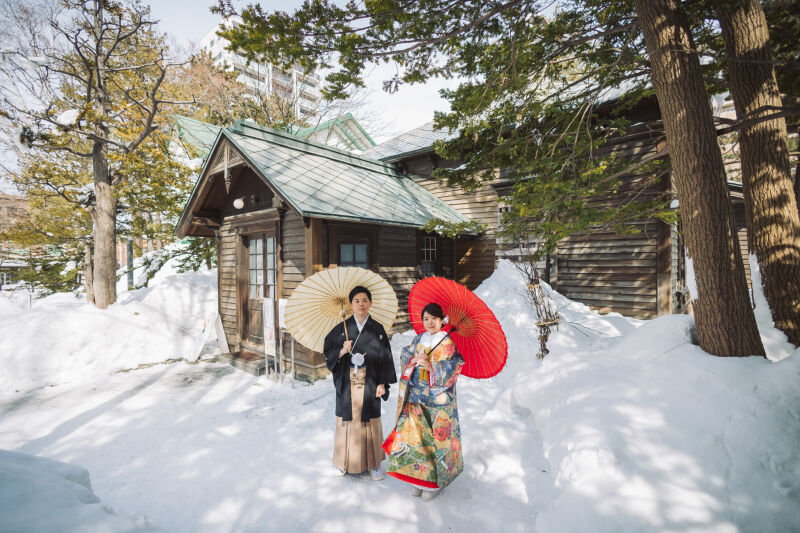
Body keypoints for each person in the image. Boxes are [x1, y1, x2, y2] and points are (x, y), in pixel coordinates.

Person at [383, 302, 465, 501]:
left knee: (435, 440)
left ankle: (435, 482)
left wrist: (432, 367)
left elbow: (455, 367)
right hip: (416, 395)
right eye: (426, 319)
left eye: (434, 318)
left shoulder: (448, 342)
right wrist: (413, 360)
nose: (429, 322)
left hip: (437, 400)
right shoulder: (419, 339)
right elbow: (405, 355)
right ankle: (418, 479)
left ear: (442, 320)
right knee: (416, 438)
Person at [323, 285, 397, 480]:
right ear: (351, 305)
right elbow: (328, 350)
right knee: (347, 421)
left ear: (370, 303)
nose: (361, 304)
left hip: (371, 381)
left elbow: (385, 358)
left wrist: (382, 383)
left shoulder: (378, 330)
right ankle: (343, 463)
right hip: (348, 382)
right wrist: (341, 350)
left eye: (364, 300)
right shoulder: (342, 329)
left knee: (370, 422)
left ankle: (373, 464)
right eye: (356, 301)